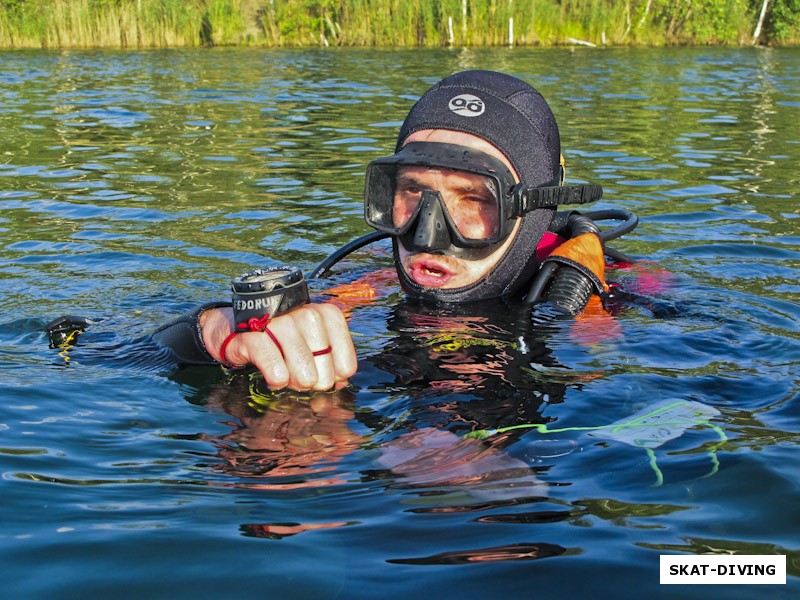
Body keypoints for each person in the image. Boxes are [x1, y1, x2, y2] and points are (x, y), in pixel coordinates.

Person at [151, 70, 632, 392]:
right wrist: (217, 330)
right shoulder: (366, 287)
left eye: (474, 198)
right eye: (412, 190)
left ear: (534, 212)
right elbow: (103, 349)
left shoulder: (615, 304)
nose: (428, 234)